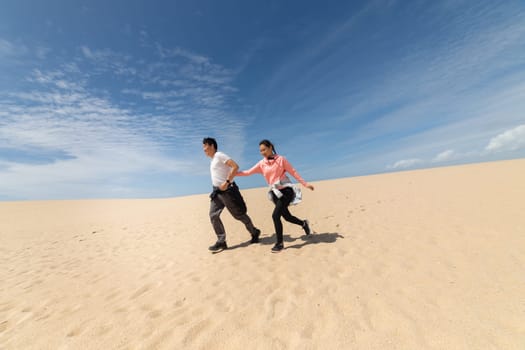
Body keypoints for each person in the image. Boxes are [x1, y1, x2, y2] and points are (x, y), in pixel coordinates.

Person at [235, 139, 314, 252]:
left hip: (286, 191)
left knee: (275, 215)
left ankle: (279, 243)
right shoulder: (262, 164)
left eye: (264, 149)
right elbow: (247, 172)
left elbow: (293, 172)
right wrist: (232, 174)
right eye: (261, 151)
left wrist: (305, 184)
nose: (263, 152)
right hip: (275, 193)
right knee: (286, 216)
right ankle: (304, 223)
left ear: (270, 147)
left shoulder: (281, 160)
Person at [202, 137, 261, 252]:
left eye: (205, 146)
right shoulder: (213, 159)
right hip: (217, 192)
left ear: (212, 146)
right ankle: (221, 241)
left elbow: (235, 166)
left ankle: (254, 231)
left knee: (238, 215)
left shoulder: (220, 155)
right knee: (213, 215)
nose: (204, 149)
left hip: (228, 191)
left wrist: (227, 182)